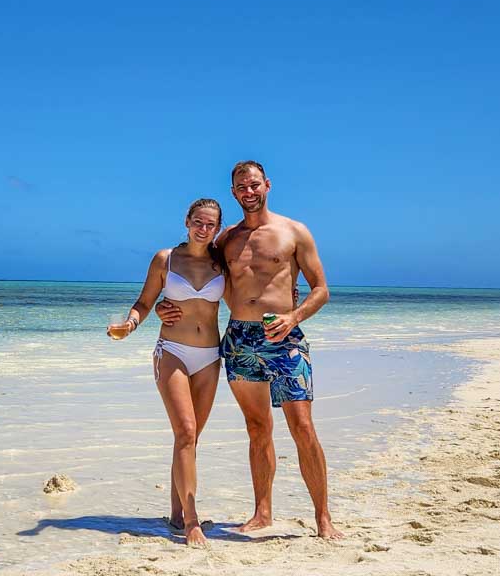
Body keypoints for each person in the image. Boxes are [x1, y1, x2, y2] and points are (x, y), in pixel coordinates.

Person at [156, 160, 342, 539]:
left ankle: (324, 518)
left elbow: (321, 289)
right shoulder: (225, 240)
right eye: (242, 186)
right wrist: (162, 305)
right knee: (257, 427)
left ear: (267, 185)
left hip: (285, 338)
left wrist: (294, 317)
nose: (249, 191)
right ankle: (262, 512)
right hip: (240, 339)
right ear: (234, 192)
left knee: (303, 427)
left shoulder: (294, 231)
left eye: (254, 184)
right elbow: (193, 277)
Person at [107, 198, 227, 547]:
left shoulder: (223, 262)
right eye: (198, 222)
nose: (203, 229)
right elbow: (144, 302)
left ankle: (176, 513)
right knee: (186, 431)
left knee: (188, 439)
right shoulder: (166, 259)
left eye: (211, 225)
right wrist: (130, 324)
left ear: (218, 228)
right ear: (187, 221)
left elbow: (246, 294)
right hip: (172, 351)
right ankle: (191, 522)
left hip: (210, 356)